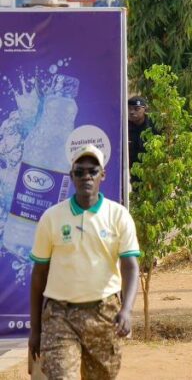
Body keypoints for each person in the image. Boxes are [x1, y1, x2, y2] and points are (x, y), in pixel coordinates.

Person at [29, 145, 140, 379]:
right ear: (72, 176)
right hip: (60, 315)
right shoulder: (51, 218)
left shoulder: (118, 216)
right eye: (79, 172)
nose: (86, 177)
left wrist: (127, 310)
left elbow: (130, 266)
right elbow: (39, 274)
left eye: (92, 171)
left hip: (103, 312)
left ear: (103, 175)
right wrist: (35, 329)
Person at [127, 96, 155, 181]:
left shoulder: (154, 126)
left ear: (145, 110)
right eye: (129, 109)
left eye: (136, 109)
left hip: (153, 173)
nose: (131, 112)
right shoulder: (124, 127)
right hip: (134, 173)